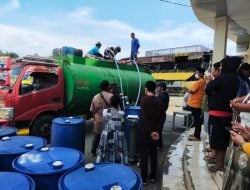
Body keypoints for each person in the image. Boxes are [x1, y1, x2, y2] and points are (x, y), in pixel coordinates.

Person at [205, 56, 241, 172]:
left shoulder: (223, 77)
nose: (220, 68)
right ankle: (218, 160)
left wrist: (211, 85)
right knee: (222, 139)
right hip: (227, 113)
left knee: (217, 140)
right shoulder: (236, 78)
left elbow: (208, 89)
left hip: (218, 114)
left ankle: (219, 163)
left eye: (221, 66)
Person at [138, 80, 165, 186]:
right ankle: (153, 176)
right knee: (153, 154)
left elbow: (144, 118)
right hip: (155, 133)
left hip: (144, 132)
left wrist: (150, 131)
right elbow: (162, 118)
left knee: (144, 155)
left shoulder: (144, 100)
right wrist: (157, 131)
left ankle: (144, 179)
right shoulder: (159, 102)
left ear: (146, 89)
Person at [96, 94, 128, 164]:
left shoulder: (105, 111)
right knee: (118, 152)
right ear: (119, 103)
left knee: (106, 151)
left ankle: (104, 164)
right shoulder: (122, 113)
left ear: (110, 102)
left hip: (107, 134)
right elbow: (123, 124)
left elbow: (105, 121)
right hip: (118, 136)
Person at [90, 80, 113, 156]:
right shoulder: (111, 96)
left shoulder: (95, 97)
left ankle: (93, 151)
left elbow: (92, 110)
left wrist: (95, 119)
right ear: (108, 87)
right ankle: (105, 152)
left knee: (96, 136)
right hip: (108, 121)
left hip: (98, 120)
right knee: (108, 137)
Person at [187, 67, 206, 141]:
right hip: (197, 103)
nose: (196, 74)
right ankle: (196, 134)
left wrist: (189, 90)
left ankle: (197, 136)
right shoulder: (203, 81)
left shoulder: (199, 81)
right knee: (197, 120)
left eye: (197, 73)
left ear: (201, 73)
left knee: (197, 121)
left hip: (195, 103)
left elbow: (191, 90)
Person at [156, 81, 169, 150]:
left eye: (158, 87)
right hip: (162, 115)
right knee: (159, 131)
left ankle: (159, 146)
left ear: (161, 88)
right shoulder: (165, 94)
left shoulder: (161, 96)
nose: (157, 88)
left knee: (158, 130)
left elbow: (157, 106)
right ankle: (159, 145)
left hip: (159, 115)